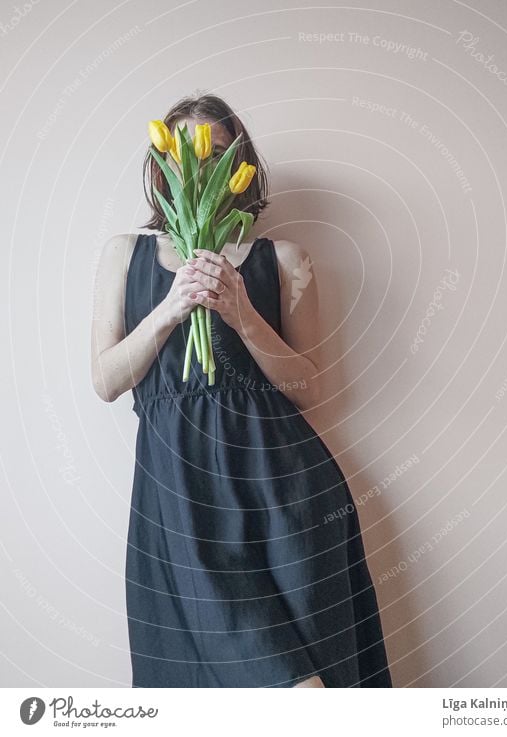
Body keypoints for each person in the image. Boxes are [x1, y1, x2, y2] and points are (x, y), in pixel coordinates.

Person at [90, 92, 392, 688]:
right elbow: (105, 381)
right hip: (179, 504)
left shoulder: (282, 259)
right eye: (179, 153)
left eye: (219, 154)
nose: (200, 169)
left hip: (284, 499)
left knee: (315, 689)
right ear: (159, 166)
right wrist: (172, 308)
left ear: (242, 167)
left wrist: (241, 312)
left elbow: (310, 388)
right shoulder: (125, 256)